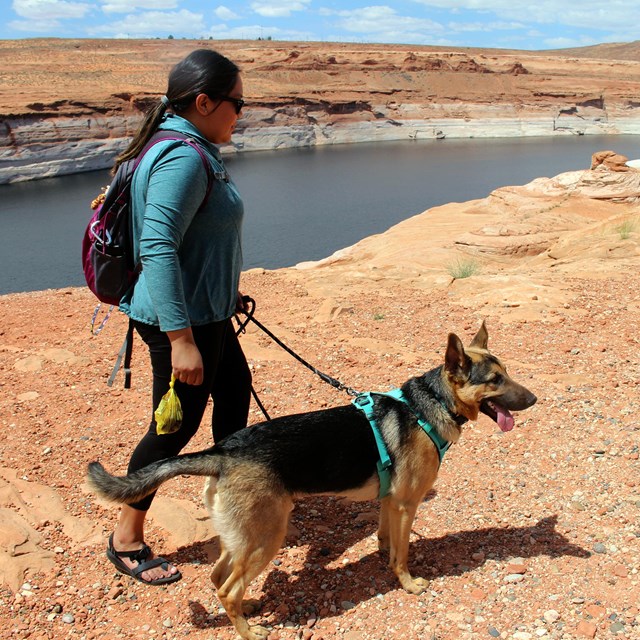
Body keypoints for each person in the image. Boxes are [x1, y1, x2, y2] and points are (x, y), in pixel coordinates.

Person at [105, 49, 252, 585]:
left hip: (205, 311)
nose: (241, 113)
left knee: (235, 388)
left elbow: (194, 241)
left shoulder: (191, 146)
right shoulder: (184, 157)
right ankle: (125, 538)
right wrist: (182, 339)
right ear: (205, 101)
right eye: (237, 102)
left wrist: (225, 291)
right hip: (182, 321)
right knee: (173, 426)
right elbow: (159, 246)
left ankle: (234, 497)